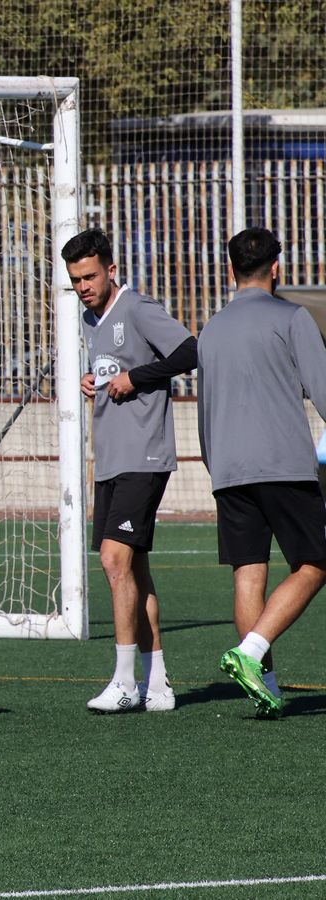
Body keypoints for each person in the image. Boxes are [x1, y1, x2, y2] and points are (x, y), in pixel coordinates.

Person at [65, 228, 198, 713]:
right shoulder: (89, 318)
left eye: (90, 276)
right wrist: (94, 379)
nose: (83, 286)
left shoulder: (137, 308)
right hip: (112, 458)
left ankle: (123, 682)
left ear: (111, 269)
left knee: (113, 562)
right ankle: (157, 684)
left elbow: (189, 350)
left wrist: (134, 378)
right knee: (134, 568)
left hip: (144, 455)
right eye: (76, 279)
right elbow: (111, 367)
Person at [197, 227, 326, 719]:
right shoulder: (292, 317)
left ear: (230, 271)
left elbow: (205, 411)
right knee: (316, 563)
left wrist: (217, 465)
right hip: (282, 466)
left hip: (228, 469)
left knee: (248, 575)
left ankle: (265, 686)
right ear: (277, 267)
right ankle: (251, 655)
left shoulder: (210, 329)